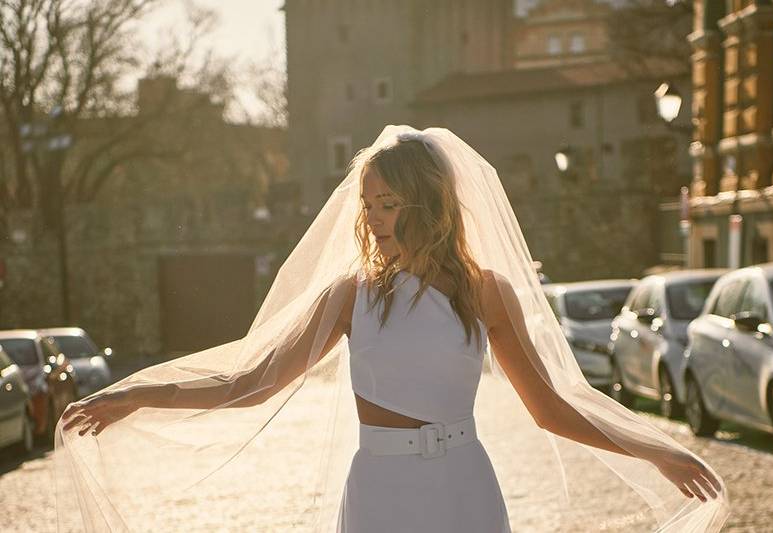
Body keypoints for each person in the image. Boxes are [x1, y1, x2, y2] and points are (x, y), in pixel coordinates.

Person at [58, 126, 729, 532]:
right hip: (382, 491)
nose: (375, 217)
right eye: (368, 203)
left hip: (466, 486)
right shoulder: (350, 294)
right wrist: (138, 392)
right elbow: (250, 381)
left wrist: (658, 449)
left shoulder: (485, 290)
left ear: (429, 202)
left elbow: (551, 408)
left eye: (389, 202)